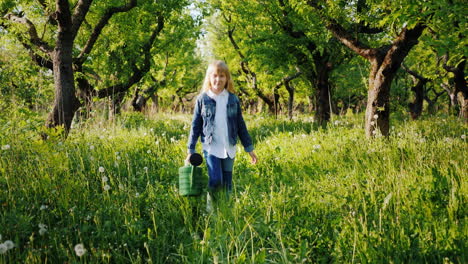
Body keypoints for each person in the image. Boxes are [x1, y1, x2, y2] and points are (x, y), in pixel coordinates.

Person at [186, 60, 257, 208]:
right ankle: (211, 209)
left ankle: (225, 209)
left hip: (229, 146)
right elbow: (195, 125)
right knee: (216, 179)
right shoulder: (203, 99)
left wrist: (249, 148)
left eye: (222, 76)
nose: (218, 79)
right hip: (211, 147)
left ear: (227, 79)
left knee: (227, 182)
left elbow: (240, 125)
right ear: (209, 78)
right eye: (215, 76)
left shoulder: (232, 99)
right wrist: (190, 150)